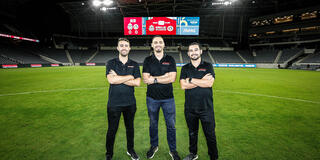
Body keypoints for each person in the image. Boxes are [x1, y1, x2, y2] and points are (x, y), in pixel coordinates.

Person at [142, 35, 181, 160]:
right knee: (153, 124)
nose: (158, 44)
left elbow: (173, 78)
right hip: (152, 99)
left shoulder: (170, 59)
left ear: (164, 45)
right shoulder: (147, 60)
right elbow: (145, 79)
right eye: (155, 42)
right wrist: (164, 76)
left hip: (168, 99)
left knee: (171, 125)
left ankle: (173, 150)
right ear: (152, 45)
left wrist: (154, 79)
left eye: (160, 42)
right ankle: (154, 146)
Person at [180, 42, 219, 160]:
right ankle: (193, 153)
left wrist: (191, 80)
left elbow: (209, 83)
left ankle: (214, 156)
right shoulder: (185, 68)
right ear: (188, 53)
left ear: (201, 51)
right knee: (192, 133)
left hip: (206, 108)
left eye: (196, 50)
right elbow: (183, 86)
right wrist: (201, 81)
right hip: (190, 109)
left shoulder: (208, 66)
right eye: (191, 50)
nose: (193, 52)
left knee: (210, 135)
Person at [105, 38, 141, 160]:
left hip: (130, 103)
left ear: (129, 48)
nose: (124, 47)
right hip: (114, 103)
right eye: (122, 45)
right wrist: (130, 76)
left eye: (126, 45)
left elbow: (137, 83)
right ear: (118, 48)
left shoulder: (135, 64)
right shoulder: (111, 62)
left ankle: (130, 150)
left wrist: (119, 78)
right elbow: (111, 80)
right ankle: (109, 154)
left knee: (130, 128)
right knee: (112, 130)